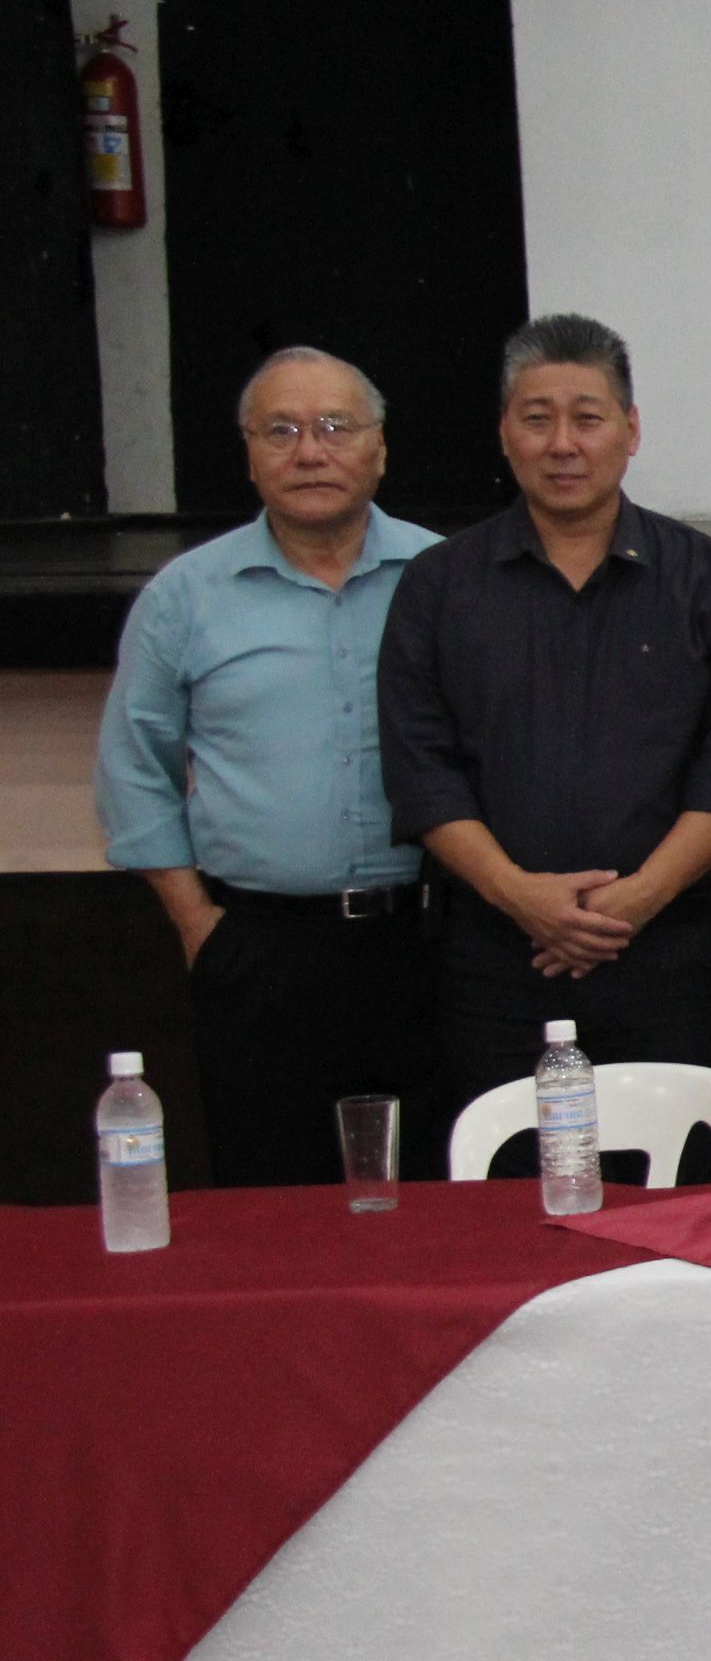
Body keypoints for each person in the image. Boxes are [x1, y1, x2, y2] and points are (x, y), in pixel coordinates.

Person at [380, 314, 711, 1108]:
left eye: (587, 418)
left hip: (666, 957)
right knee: (502, 1176)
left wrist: (636, 900)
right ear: (505, 432)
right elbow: (421, 769)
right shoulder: (439, 586)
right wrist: (520, 896)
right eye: (538, 419)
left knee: (674, 1173)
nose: (563, 443)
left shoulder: (710, 579)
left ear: (630, 431)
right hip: (496, 962)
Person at [95, 348, 444, 1186]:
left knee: (436, 1201)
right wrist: (196, 924)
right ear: (249, 454)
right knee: (270, 1203)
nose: (309, 451)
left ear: (380, 447)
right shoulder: (187, 595)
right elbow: (133, 768)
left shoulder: (446, 576)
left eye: (334, 427)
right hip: (257, 949)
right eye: (280, 431)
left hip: (429, 942)